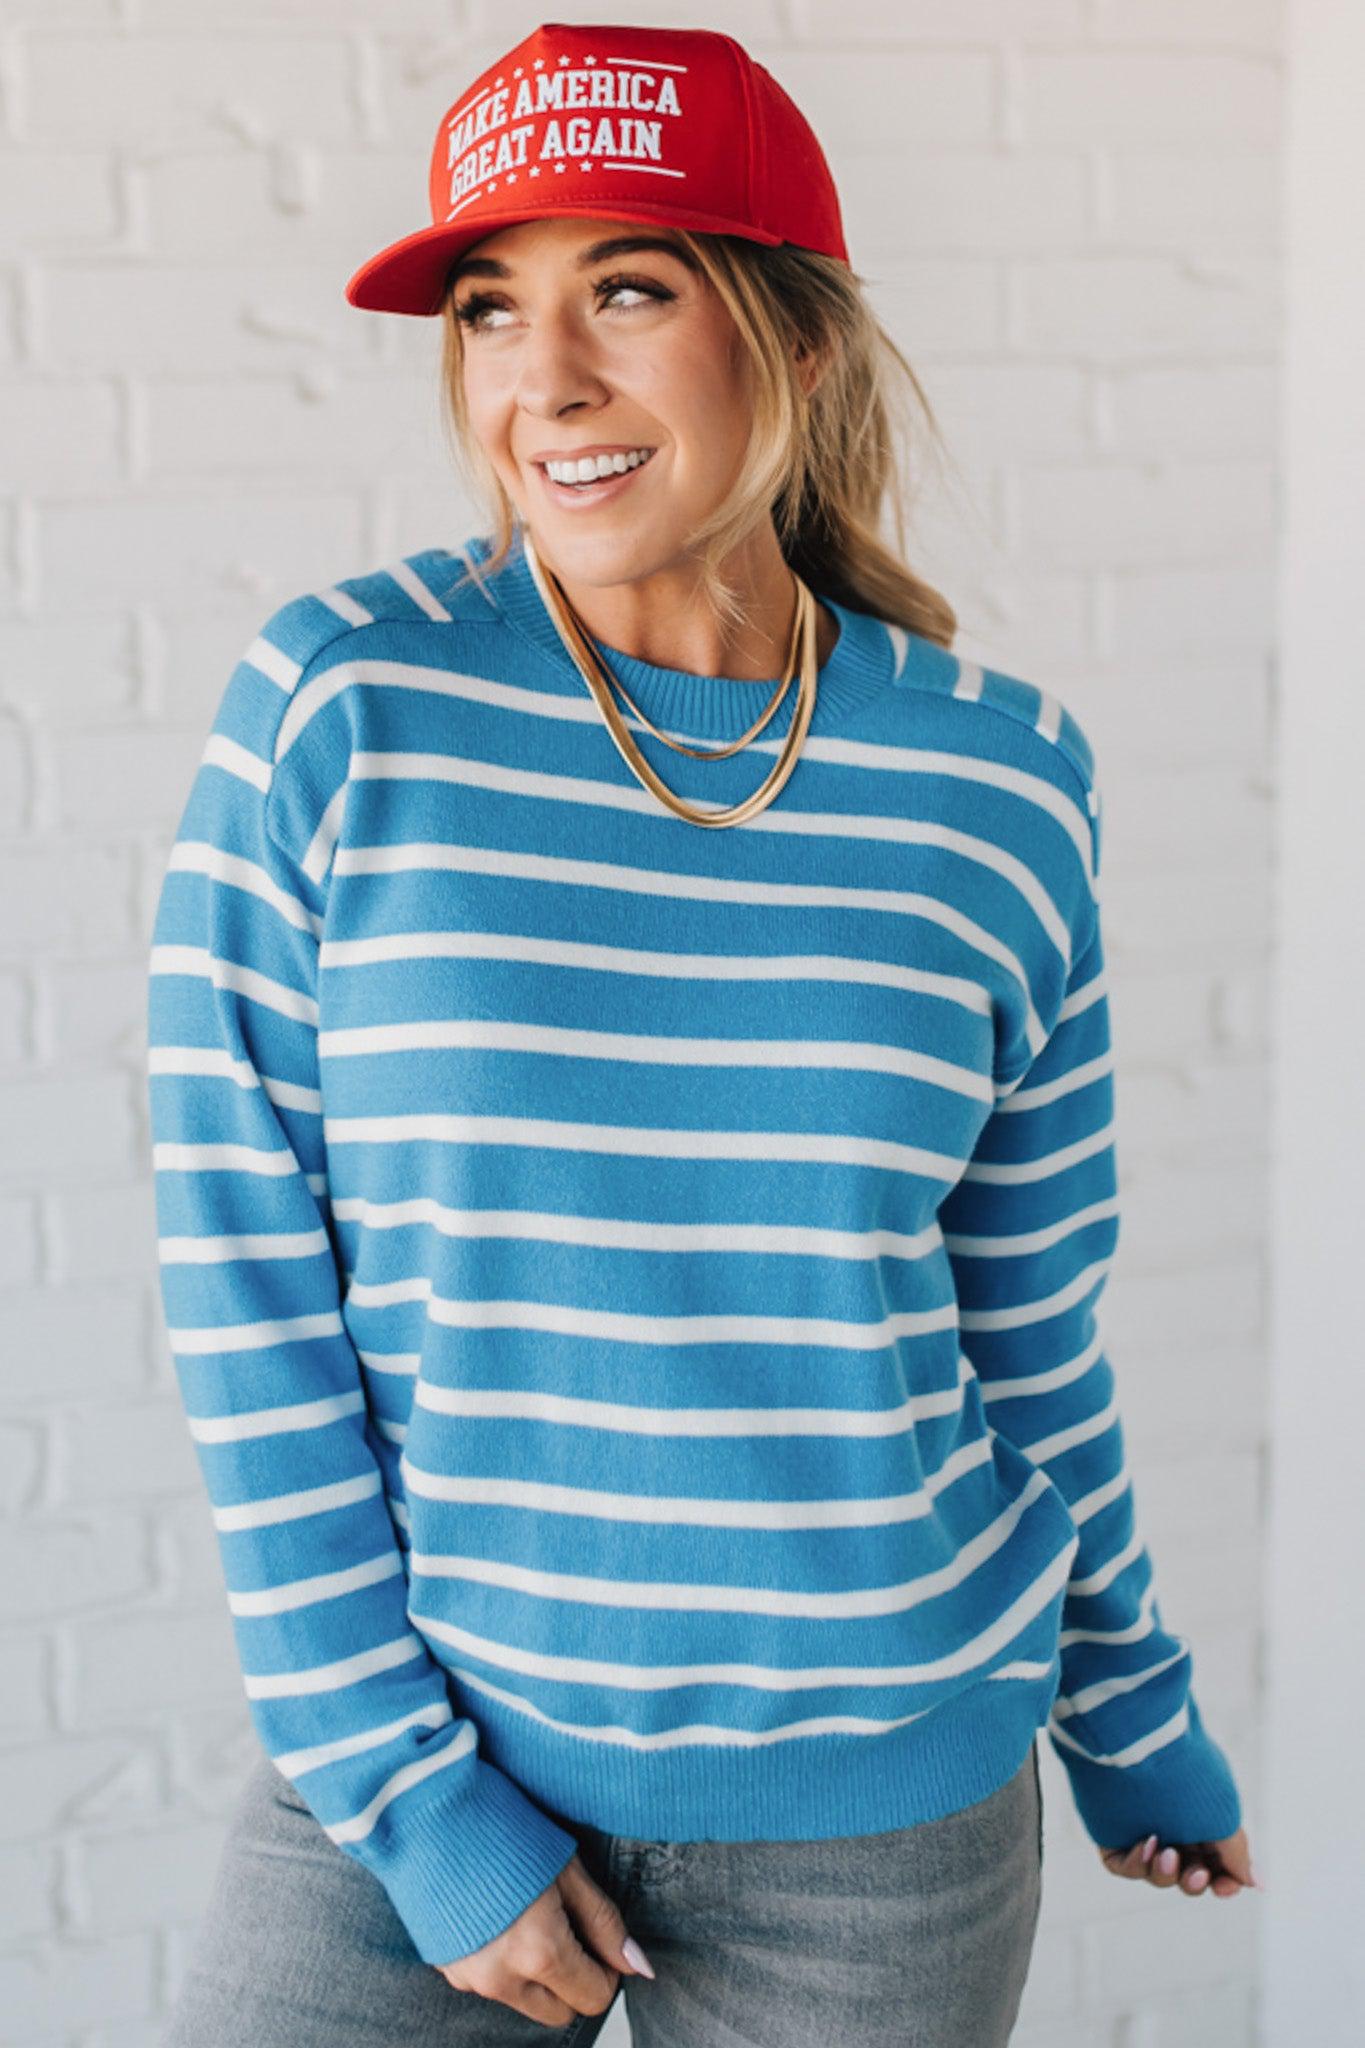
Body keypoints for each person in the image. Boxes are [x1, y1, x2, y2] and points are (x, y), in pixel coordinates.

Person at [145, 20, 1257, 2047]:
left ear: (798, 339)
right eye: (490, 310)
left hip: (884, 1827)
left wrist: (1131, 1709)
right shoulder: (340, 707)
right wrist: (409, 1800)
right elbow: (247, 1300)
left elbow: (1024, 1333)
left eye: (626, 292)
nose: (539, 381)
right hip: (424, 1766)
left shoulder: (994, 786)